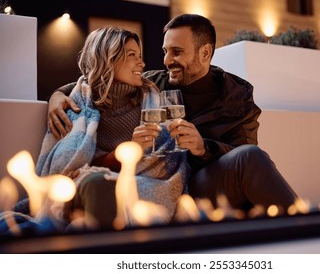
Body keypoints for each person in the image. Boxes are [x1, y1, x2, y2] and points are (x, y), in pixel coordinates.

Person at [47, 14, 298, 214]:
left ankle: (310, 233)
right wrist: (57, 95)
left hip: (204, 182)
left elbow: (242, 151)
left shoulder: (236, 95)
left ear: (205, 52)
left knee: (251, 156)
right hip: (165, 180)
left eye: (176, 52)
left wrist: (203, 148)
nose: (167, 60)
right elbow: (101, 78)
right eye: (165, 51)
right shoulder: (154, 82)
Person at [13, 26, 189, 232]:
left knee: (104, 187)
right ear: (107, 58)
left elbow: (166, 158)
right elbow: (71, 168)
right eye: (132, 55)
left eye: (140, 55)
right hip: (93, 185)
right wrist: (124, 153)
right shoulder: (80, 104)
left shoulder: (152, 98)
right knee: (97, 184)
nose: (142, 63)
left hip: (147, 182)